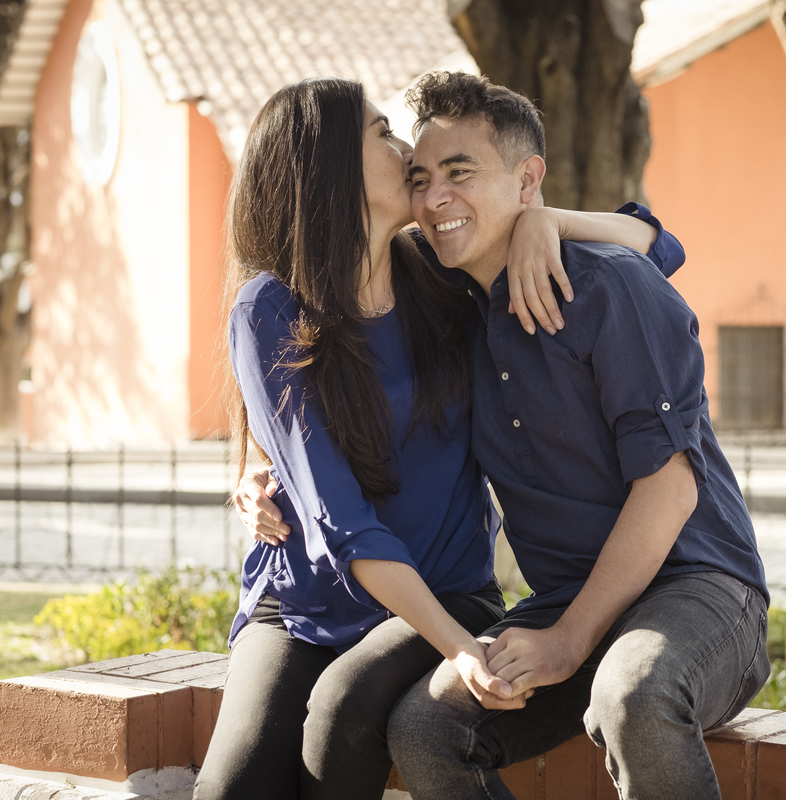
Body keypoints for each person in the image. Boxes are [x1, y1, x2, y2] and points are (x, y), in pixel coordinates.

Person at [201, 76, 678, 800]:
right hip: (303, 601)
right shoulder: (269, 307)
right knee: (232, 790)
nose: (403, 150)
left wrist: (542, 220)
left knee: (344, 711)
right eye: (382, 133)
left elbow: (657, 246)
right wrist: (268, 466)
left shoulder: (442, 277)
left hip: (445, 593)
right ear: (327, 163)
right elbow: (342, 520)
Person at [382, 72, 772, 800]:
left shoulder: (610, 286)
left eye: (460, 173)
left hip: (699, 590)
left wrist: (569, 641)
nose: (435, 199)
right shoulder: (450, 305)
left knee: (634, 698)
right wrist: (267, 465)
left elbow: (670, 487)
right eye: (420, 178)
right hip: (570, 598)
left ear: (529, 178)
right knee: (426, 726)